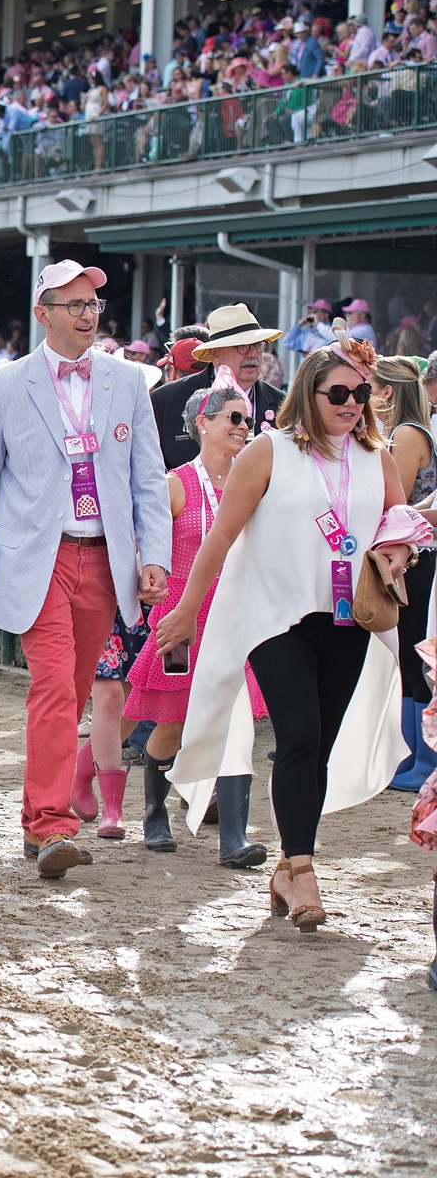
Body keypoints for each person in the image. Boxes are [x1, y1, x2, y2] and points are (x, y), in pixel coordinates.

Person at [157, 334, 426, 933]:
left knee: (316, 745)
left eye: (361, 393)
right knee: (299, 731)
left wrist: (399, 551)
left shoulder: (376, 457)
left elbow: (397, 523)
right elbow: (221, 537)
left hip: (346, 619)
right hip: (273, 617)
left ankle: (287, 863)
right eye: (339, 392)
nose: (352, 403)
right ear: (310, 392)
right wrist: (188, 609)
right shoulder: (268, 451)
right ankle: (304, 871)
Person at [0, 260, 172, 878]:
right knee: (51, 688)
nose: (88, 313)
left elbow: (148, 479)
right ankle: (51, 823)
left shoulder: (128, 382)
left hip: (105, 559)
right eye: (73, 304)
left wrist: (155, 558)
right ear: (43, 313)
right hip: (35, 559)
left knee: (71, 695)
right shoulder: (4, 385)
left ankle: (35, 818)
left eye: (94, 303)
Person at [118, 369, 271, 863]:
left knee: (236, 722)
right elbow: (145, 545)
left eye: (247, 419)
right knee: (174, 723)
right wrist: (146, 578)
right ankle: (154, 810)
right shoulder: (176, 483)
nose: (243, 427)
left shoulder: (256, 483)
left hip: (236, 615)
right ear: (202, 423)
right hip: (182, 618)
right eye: (233, 418)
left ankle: (233, 838)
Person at [372, 356, 437, 791]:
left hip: (417, 554)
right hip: (416, 550)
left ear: (389, 392)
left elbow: (394, 503)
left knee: (416, 656)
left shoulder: (408, 434)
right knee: (409, 658)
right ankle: (415, 758)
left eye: (370, 390)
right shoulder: (411, 431)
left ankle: (424, 762)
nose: (366, 399)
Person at [152, 304, 284, 467]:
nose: (252, 354)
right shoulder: (167, 400)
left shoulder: (283, 405)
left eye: (258, 345)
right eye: (242, 346)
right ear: (215, 354)